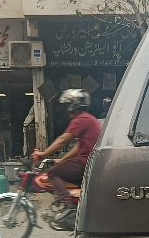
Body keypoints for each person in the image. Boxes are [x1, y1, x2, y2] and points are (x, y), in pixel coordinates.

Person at [32, 89, 101, 228]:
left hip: (85, 161)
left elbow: (63, 139)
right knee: (60, 170)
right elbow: (78, 146)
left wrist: (43, 154)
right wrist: (62, 160)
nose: (66, 108)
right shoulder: (88, 119)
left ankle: (68, 207)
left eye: (67, 104)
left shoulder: (81, 119)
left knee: (52, 173)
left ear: (74, 105)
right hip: (91, 161)